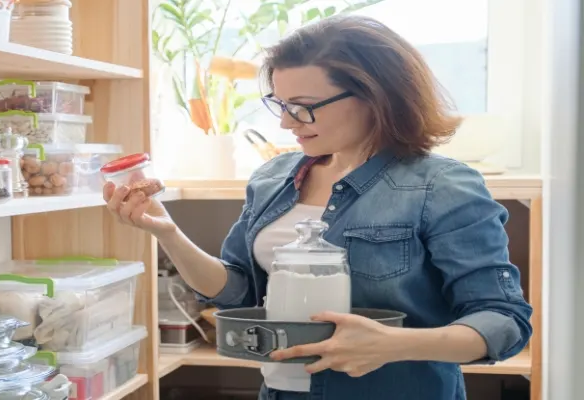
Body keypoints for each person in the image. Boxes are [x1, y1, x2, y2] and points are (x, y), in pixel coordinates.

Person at [103, 14, 532, 400]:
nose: (286, 123)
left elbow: (504, 321)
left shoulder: (441, 186)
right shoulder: (274, 178)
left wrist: (391, 344)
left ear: (374, 95)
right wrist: (167, 232)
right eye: (281, 104)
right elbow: (239, 292)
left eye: (304, 108)